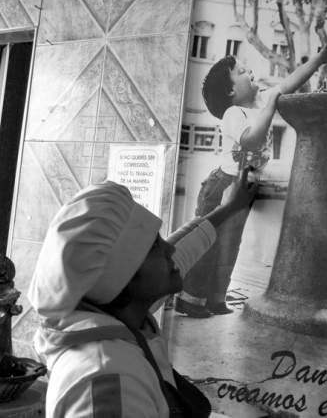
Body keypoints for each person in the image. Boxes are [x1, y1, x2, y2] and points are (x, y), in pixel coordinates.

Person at [28, 167, 258, 417]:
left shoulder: (118, 310)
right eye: (155, 246)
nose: (169, 251)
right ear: (124, 276)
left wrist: (227, 208)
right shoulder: (106, 377)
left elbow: (179, 251)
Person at [176, 39, 327, 318]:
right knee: (208, 244)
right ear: (231, 89)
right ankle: (191, 299)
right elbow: (251, 140)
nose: (251, 72)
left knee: (230, 246)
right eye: (243, 71)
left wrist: (319, 60)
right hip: (222, 188)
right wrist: (269, 109)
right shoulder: (235, 113)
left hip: (243, 191)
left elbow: (291, 81)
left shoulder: (261, 99)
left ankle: (216, 299)